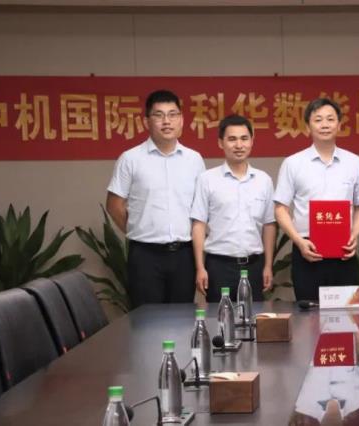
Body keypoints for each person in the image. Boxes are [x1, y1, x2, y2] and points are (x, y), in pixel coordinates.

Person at [106, 89, 205, 308]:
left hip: (184, 255)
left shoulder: (194, 160)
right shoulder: (130, 159)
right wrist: (138, 229)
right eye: (159, 115)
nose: (166, 121)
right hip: (145, 256)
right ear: (146, 121)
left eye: (172, 114)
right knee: (146, 319)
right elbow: (114, 205)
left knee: (181, 318)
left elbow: (201, 208)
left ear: (181, 120)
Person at [273, 98, 359, 301]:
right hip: (307, 250)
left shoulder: (354, 162)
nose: (325, 125)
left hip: (344, 251)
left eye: (330, 119)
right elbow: (280, 209)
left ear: (339, 125)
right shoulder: (293, 163)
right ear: (308, 126)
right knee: (308, 315)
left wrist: (355, 235)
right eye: (318, 120)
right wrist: (299, 241)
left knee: (347, 314)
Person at [190, 114, 276, 302]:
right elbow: (199, 224)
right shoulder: (207, 179)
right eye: (232, 139)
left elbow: (269, 225)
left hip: (254, 266)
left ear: (252, 141)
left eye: (244, 138)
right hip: (219, 266)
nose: (239, 145)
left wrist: (268, 265)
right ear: (220, 143)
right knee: (219, 317)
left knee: (253, 317)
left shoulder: (264, 180)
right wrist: (200, 267)